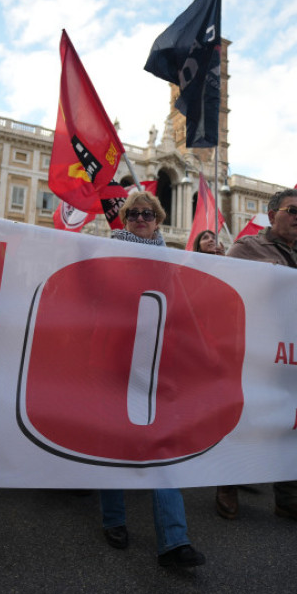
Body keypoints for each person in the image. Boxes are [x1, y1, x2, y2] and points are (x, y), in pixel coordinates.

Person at [99, 191, 205, 568]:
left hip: (159, 362)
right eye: (133, 214)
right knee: (113, 446)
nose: (140, 219)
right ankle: (114, 519)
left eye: (148, 214)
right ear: (124, 220)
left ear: (159, 221)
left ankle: (175, 541)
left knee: (162, 447)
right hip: (113, 361)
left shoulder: (171, 262)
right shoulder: (106, 253)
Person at [218, 189, 297, 529]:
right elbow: (224, 278)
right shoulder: (247, 247)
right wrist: (260, 270)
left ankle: (292, 500)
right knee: (246, 421)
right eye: (292, 211)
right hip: (256, 352)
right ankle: (228, 485)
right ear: (272, 216)